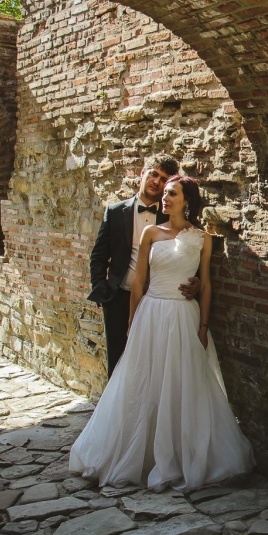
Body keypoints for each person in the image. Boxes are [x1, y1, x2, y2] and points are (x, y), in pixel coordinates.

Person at [69, 174, 254, 492]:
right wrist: (132, 322)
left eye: (172, 194)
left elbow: (206, 284)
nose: (165, 198)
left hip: (183, 316)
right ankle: (135, 452)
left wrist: (203, 326)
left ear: (187, 200)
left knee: (184, 383)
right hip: (152, 313)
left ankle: (182, 455)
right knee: (143, 381)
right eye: (165, 193)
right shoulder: (151, 233)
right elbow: (139, 281)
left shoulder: (202, 238)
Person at [88, 155, 198, 377]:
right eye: (153, 174)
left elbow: (189, 252)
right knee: (118, 362)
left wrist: (195, 283)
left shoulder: (171, 215)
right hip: (118, 297)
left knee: (153, 363)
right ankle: (119, 411)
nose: (156, 181)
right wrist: (102, 291)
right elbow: (98, 256)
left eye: (163, 179)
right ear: (142, 173)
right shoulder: (115, 212)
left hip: (156, 302)